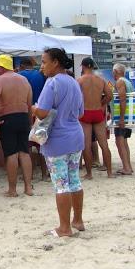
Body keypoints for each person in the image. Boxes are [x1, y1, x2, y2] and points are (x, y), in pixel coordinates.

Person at [32, 48, 85, 237]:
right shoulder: (73, 82)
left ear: (55, 62)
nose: (42, 66)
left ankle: (64, 228)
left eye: (44, 62)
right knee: (74, 180)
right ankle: (77, 220)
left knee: (61, 183)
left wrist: (34, 108)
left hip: (57, 139)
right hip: (75, 136)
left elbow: (43, 111)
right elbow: (80, 113)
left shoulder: (52, 82)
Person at [0, 54, 33, 197]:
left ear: (2, 67)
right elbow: (29, 103)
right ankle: (28, 188)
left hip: (7, 118)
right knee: (25, 153)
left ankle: (12, 190)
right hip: (23, 117)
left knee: (11, 154)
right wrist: (29, 121)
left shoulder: (0, 79)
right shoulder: (24, 79)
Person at [77, 57, 114, 179]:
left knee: (86, 146)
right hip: (98, 112)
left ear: (83, 66)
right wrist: (102, 103)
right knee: (104, 144)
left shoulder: (80, 81)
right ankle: (109, 172)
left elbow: (75, 98)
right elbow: (110, 95)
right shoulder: (101, 80)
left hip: (85, 113)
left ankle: (89, 173)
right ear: (92, 66)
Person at [19, 57, 48, 180]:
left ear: (21, 66)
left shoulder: (19, 76)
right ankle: (44, 174)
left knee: (27, 147)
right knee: (41, 145)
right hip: (40, 112)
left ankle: (29, 175)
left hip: (25, 112)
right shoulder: (41, 74)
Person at [113, 63, 134, 175]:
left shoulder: (120, 82)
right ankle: (128, 166)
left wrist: (121, 118)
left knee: (120, 141)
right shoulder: (128, 82)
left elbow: (122, 100)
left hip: (123, 116)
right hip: (129, 115)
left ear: (116, 71)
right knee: (124, 141)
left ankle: (126, 167)